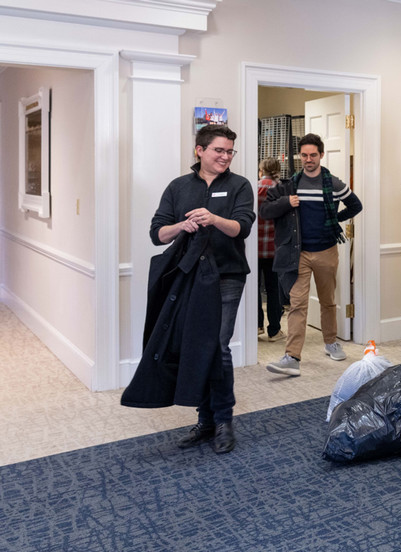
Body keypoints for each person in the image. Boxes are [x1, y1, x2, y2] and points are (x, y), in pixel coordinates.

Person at [138, 124, 254, 454]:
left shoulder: (240, 186)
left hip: (227, 276)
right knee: (196, 347)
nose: (225, 156)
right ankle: (204, 421)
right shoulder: (178, 188)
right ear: (199, 150)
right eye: (219, 150)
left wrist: (214, 218)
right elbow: (157, 233)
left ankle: (222, 422)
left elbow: (241, 227)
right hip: (188, 277)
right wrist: (182, 226)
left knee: (218, 346)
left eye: (230, 151)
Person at [261, 133, 363, 376]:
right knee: (297, 304)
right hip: (299, 254)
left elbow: (356, 205)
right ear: (300, 156)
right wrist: (287, 202)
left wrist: (332, 221)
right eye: (304, 155)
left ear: (321, 155)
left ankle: (331, 342)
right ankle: (292, 356)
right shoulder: (289, 185)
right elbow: (266, 211)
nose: (308, 159)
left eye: (313, 155)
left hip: (327, 251)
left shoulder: (334, 183)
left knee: (328, 301)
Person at [257, 158, 285, 342]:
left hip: (255, 248)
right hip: (276, 248)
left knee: (254, 289)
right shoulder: (283, 190)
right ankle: (274, 330)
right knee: (274, 289)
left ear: (261, 170)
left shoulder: (253, 188)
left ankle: (256, 325)